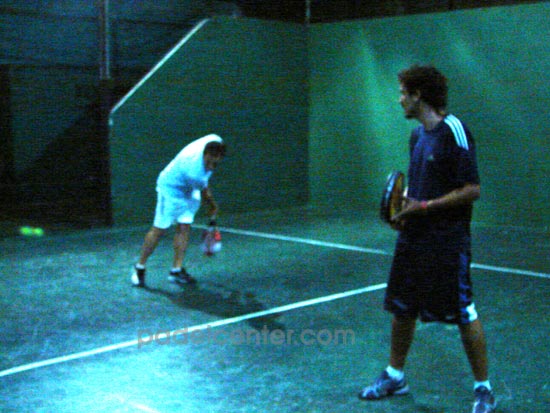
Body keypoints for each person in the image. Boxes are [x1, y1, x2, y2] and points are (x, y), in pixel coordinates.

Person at [358, 65, 496, 413]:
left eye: (403, 93)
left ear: (418, 95)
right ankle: (395, 376)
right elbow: (419, 190)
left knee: (464, 311)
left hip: (447, 241)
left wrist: (424, 206)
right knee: (402, 308)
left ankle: (483, 389)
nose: (399, 99)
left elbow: (472, 189)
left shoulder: (455, 131)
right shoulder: (417, 136)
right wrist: (404, 211)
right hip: (413, 238)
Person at [131, 134, 226, 288]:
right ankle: (139, 267)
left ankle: (176, 271)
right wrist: (213, 206)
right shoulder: (194, 171)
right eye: (208, 162)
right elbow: (205, 193)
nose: (210, 167)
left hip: (188, 189)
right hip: (170, 188)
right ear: (204, 154)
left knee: (184, 227)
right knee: (159, 229)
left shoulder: (214, 140)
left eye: (214, 164)